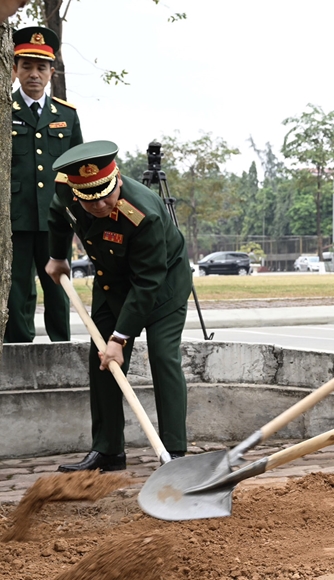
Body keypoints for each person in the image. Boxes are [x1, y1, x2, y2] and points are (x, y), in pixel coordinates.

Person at [44, 141, 192, 472]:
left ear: (118, 181)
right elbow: (57, 215)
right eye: (89, 197)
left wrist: (119, 338)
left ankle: (175, 454)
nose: (97, 204)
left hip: (162, 285)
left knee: (163, 356)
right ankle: (108, 451)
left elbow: (148, 283)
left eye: (104, 195)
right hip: (112, 283)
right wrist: (57, 257)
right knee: (102, 362)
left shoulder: (144, 214)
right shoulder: (71, 192)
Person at [5, 26, 83, 343]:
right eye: (26, 66)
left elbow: (80, 170)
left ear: (52, 71)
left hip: (56, 221)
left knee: (58, 287)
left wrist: (79, 218)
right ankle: (19, 353)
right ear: (14, 68)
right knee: (17, 290)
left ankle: (61, 349)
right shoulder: (3, 110)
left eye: (41, 67)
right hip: (15, 220)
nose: (33, 74)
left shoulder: (66, 115)